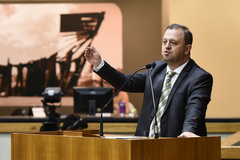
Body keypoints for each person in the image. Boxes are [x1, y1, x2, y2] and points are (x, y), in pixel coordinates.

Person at [84, 23, 213, 138]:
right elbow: (125, 82)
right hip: (144, 146)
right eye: (164, 42)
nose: (167, 46)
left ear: (187, 49)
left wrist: (189, 131)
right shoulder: (156, 69)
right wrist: (99, 64)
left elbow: (195, 108)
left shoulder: (199, 77)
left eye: (173, 43)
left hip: (177, 146)